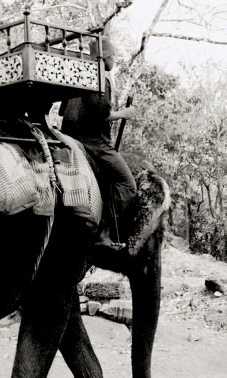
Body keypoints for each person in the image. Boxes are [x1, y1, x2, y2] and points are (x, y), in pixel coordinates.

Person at [60, 33, 138, 249]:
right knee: (127, 184)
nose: (115, 61)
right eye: (114, 56)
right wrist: (125, 113)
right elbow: (101, 115)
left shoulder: (78, 74)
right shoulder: (99, 77)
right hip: (93, 143)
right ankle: (103, 231)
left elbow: (64, 110)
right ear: (106, 57)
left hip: (69, 138)